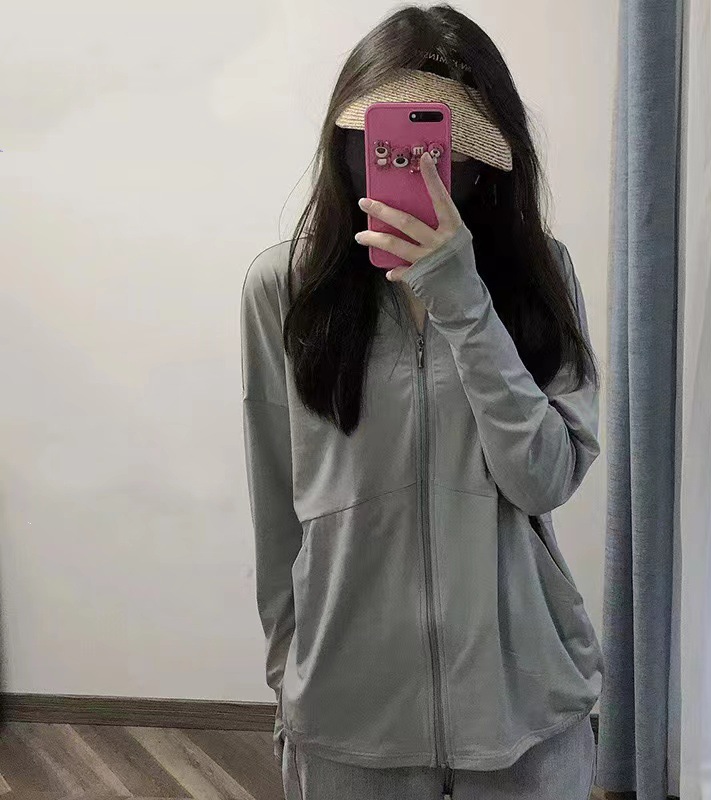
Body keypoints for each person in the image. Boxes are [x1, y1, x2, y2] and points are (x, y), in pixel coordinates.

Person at [240, 4, 603, 798]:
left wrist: (464, 300)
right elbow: (275, 504)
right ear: (347, 147)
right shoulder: (284, 291)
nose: (421, 169)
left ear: (483, 163)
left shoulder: (538, 278)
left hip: (521, 709)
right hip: (347, 711)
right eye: (386, 146)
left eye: (446, 149)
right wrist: (290, 671)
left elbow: (543, 478)